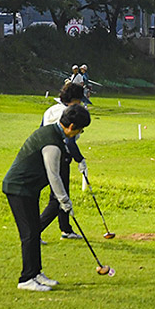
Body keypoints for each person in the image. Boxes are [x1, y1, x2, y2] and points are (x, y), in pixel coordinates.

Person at [3, 104, 91, 291]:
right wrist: (64, 201)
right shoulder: (52, 142)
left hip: (28, 189)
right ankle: (26, 279)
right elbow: (54, 175)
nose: (79, 133)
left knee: (34, 232)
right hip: (18, 188)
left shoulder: (54, 134)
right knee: (29, 235)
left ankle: (36, 273)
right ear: (70, 126)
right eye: (80, 129)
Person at [39, 83, 88, 241]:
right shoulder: (69, 114)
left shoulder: (50, 110)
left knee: (62, 194)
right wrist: (80, 159)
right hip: (60, 157)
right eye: (79, 101)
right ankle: (35, 231)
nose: (80, 104)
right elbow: (70, 141)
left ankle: (66, 229)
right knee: (58, 199)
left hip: (46, 155)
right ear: (73, 99)